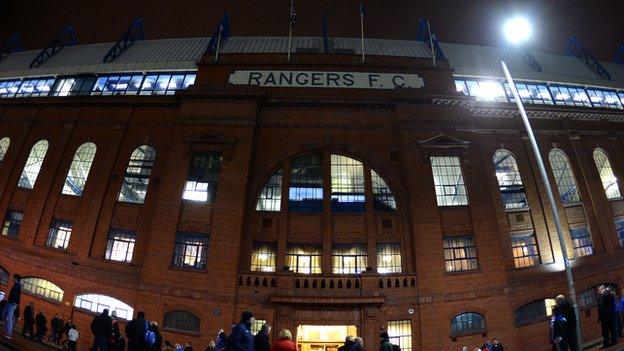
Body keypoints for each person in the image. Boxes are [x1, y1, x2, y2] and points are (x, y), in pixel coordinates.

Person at [2, 274, 21, 339]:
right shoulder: (17, 285)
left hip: (12, 303)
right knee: (4, 315)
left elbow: (15, 295)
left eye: (13, 278)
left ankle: (8, 333)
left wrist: (14, 303)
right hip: (10, 302)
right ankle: (6, 330)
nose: (12, 279)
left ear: (15, 278)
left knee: (8, 317)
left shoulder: (17, 285)